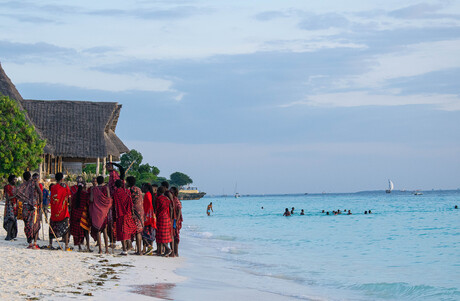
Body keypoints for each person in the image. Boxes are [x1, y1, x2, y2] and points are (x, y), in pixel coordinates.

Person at [16, 171, 43, 249]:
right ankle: (35, 243)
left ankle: (30, 243)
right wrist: (40, 202)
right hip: (33, 207)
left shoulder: (21, 186)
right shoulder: (34, 183)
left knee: (27, 224)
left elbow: (16, 194)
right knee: (35, 224)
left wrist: (24, 199)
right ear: (30, 177)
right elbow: (40, 192)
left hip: (25, 207)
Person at [113, 179, 138, 255]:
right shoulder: (127, 192)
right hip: (128, 213)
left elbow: (115, 204)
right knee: (127, 230)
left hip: (120, 214)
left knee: (122, 231)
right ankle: (129, 246)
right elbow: (130, 203)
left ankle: (124, 249)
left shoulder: (116, 193)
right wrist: (132, 213)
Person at [89, 176, 112, 254]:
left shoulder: (93, 189)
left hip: (96, 212)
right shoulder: (106, 188)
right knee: (105, 231)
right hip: (104, 212)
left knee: (98, 231)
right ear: (103, 181)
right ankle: (106, 250)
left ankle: (100, 250)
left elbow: (91, 199)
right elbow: (109, 199)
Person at [49, 172, 71, 251]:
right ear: (62, 179)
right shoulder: (65, 187)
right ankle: (66, 245)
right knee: (66, 228)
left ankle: (50, 244)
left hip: (54, 210)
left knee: (52, 227)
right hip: (63, 211)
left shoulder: (53, 187)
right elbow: (69, 197)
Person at [70, 176, 92, 252]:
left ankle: (79, 247)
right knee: (86, 232)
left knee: (78, 231)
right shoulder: (86, 194)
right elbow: (88, 203)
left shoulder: (75, 195)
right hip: (84, 215)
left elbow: (72, 205)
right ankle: (88, 247)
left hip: (76, 215)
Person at [127, 176, 144, 255]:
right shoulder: (139, 189)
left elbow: (129, 202)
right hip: (141, 210)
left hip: (135, 211)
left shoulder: (130, 190)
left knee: (136, 231)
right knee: (139, 231)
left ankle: (139, 251)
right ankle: (139, 249)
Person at [155, 186, 173, 256]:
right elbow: (171, 208)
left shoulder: (158, 199)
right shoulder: (167, 199)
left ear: (158, 191)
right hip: (167, 218)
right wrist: (170, 218)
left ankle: (167, 248)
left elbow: (157, 209)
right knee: (164, 235)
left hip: (161, 218)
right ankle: (161, 251)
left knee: (160, 235)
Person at [142, 183, 156, 255]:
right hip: (151, 217)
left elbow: (149, 206)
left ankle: (149, 246)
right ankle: (149, 249)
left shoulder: (147, 194)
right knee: (150, 234)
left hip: (148, 217)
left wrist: (146, 216)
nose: (142, 188)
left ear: (146, 187)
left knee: (144, 235)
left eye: (143, 187)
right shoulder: (150, 194)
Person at [3, 175, 18, 241]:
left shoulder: (14, 187)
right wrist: (15, 195)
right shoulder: (7, 187)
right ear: (11, 180)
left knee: (13, 220)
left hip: (14, 205)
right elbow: (8, 198)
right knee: (11, 219)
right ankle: (8, 235)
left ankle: (11, 235)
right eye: (14, 179)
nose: (15, 181)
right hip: (10, 204)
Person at [170, 186, 183, 257]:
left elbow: (179, 212)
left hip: (176, 220)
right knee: (173, 236)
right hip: (173, 220)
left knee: (175, 236)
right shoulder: (172, 200)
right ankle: (174, 252)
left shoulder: (176, 200)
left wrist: (177, 221)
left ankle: (176, 252)